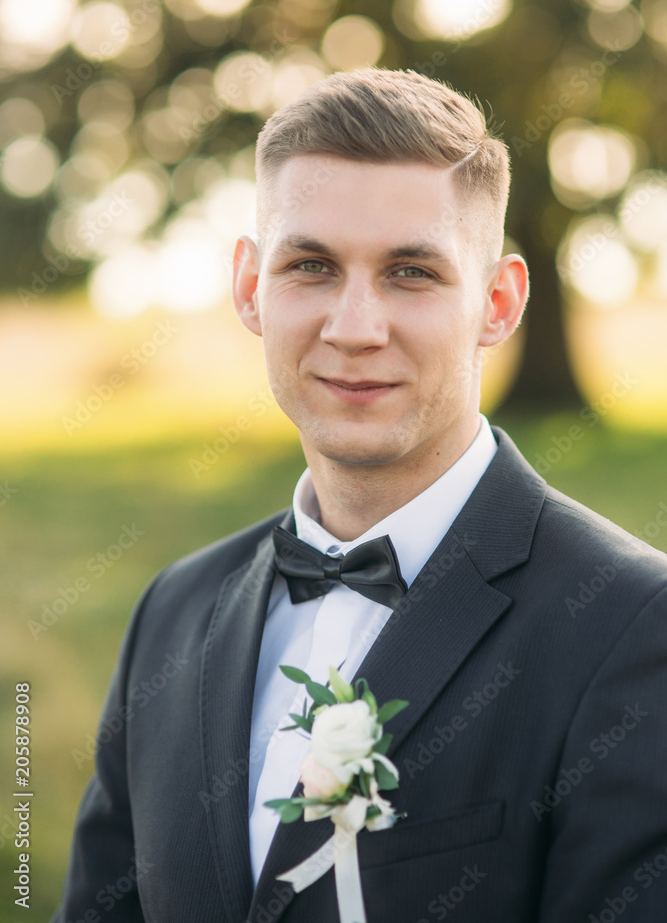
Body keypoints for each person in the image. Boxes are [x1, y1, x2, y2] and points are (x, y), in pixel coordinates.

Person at [52, 68, 667, 923]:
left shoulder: (633, 627)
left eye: (410, 273)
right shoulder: (173, 611)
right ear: (247, 288)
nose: (353, 327)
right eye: (310, 265)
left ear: (497, 302)